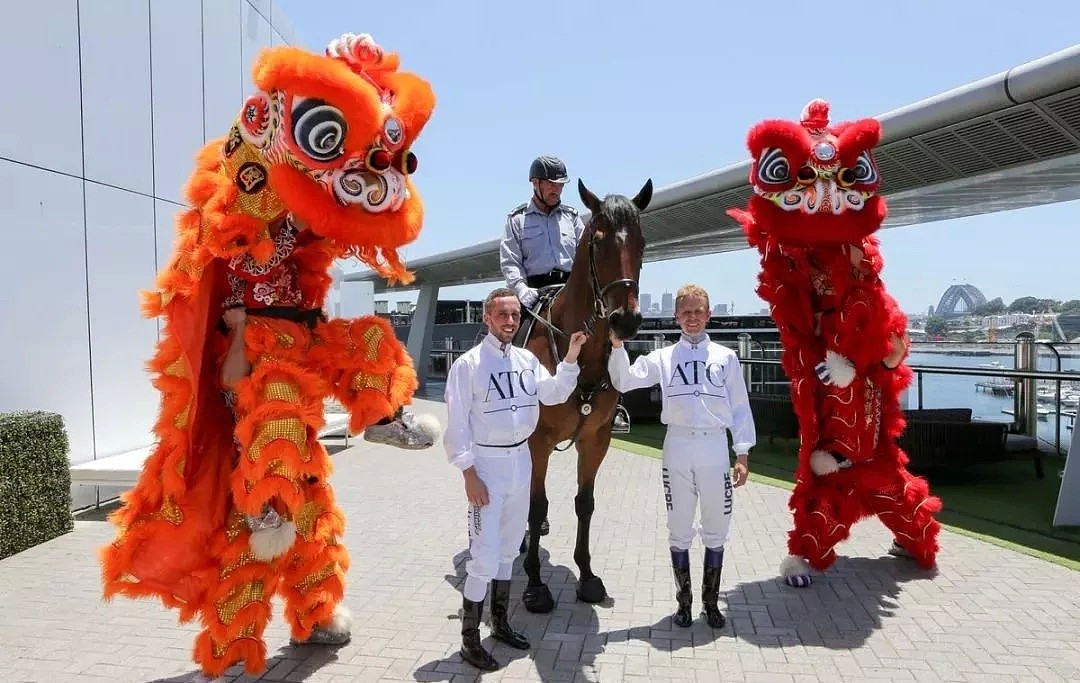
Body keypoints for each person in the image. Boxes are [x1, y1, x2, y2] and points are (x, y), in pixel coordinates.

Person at [443, 286, 588, 671]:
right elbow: (456, 426)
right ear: (487, 318)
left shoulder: (526, 360)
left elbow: (555, 394)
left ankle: (502, 622)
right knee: (483, 556)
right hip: (486, 467)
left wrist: (571, 356)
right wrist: (468, 472)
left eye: (515, 316)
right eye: (502, 315)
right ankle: (470, 641)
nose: (510, 321)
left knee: (509, 549)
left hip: (522, 460)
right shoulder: (468, 365)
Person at [607, 283, 756, 629]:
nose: (692, 318)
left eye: (698, 312)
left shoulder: (726, 357)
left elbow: (740, 407)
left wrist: (743, 452)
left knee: (717, 527)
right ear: (676, 317)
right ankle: (684, 603)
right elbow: (625, 380)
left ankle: (711, 603)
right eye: (686, 312)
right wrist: (616, 346)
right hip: (677, 446)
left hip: (715, 446)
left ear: (709, 315)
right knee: (679, 527)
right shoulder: (662, 356)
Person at [499, 154, 630, 432]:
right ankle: (508, 395)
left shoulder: (573, 218)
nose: (556, 189)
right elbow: (510, 261)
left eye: (560, 185)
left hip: (572, 290)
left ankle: (615, 404)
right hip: (533, 291)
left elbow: (588, 257)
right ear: (535, 183)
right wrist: (522, 292)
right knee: (507, 332)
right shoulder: (517, 219)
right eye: (550, 184)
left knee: (610, 331)